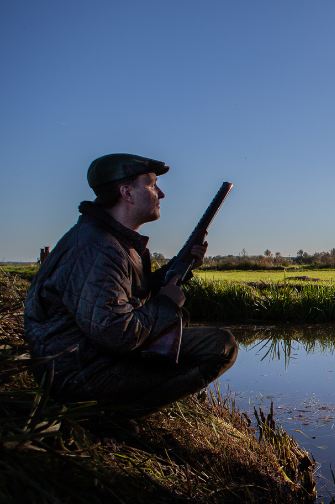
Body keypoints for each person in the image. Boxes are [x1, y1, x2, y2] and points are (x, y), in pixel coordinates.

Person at [24, 153, 237, 421]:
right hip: (80, 378)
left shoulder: (109, 240)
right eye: (152, 185)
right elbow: (117, 334)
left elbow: (128, 295)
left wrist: (181, 268)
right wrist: (166, 304)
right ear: (126, 192)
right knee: (221, 347)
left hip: (83, 364)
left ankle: (116, 413)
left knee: (204, 339)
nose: (161, 194)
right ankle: (114, 417)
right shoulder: (99, 248)